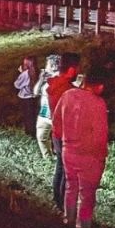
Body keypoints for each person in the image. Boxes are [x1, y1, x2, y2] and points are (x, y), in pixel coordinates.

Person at [51, 69, 109, 228]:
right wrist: (101, 157)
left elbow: (56, 122)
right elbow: (100, 135)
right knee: (87, 196)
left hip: (68, 150)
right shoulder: (98, 104)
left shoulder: (67, 95)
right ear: (99, 86)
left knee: (71, 187)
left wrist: (62, 142)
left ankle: (68, 219)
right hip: (89, 156)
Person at [46, 52, 81, 210]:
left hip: (57, 133)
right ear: (72, 70)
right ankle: (64, 207)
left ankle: (59, 203)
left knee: (61, 168)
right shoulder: (67, 90)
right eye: (78, 69)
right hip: (67, 136)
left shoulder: (54, 85)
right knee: (68, 173)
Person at [33, 54, 61, 159]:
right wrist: (41, 79)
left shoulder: (60, 79)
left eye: (47, 65)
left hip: (55, 115)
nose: (45, 67)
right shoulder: (46, 79)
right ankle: (48, 158)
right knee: (41, 137)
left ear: (54, 67)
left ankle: (60, 159)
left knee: (59, 139)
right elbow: (35, 92)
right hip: (43, 114)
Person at [13, 56, 39, 137]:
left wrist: (20, 73)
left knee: (27, 116)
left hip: (25, 98)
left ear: (26, 64)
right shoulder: (37, 72)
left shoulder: (25, 74)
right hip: (34, 97)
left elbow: (17, 85)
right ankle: (34, 131)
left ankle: (29, 133)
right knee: (33, 115)